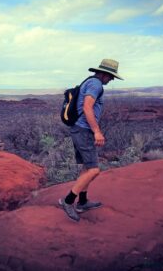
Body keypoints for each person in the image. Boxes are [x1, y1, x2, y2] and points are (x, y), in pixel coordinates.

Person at [59, 59, 123, 222]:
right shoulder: (96, 84)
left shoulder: (89, 81)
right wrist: (97, 132)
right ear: (103, 74)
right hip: (84, 130)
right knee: (94, 170)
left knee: (87, 168)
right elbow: (87, 107)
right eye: (110, 76)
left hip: (78, 129)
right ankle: (67, 201)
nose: (111, 80)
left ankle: (82, 202)